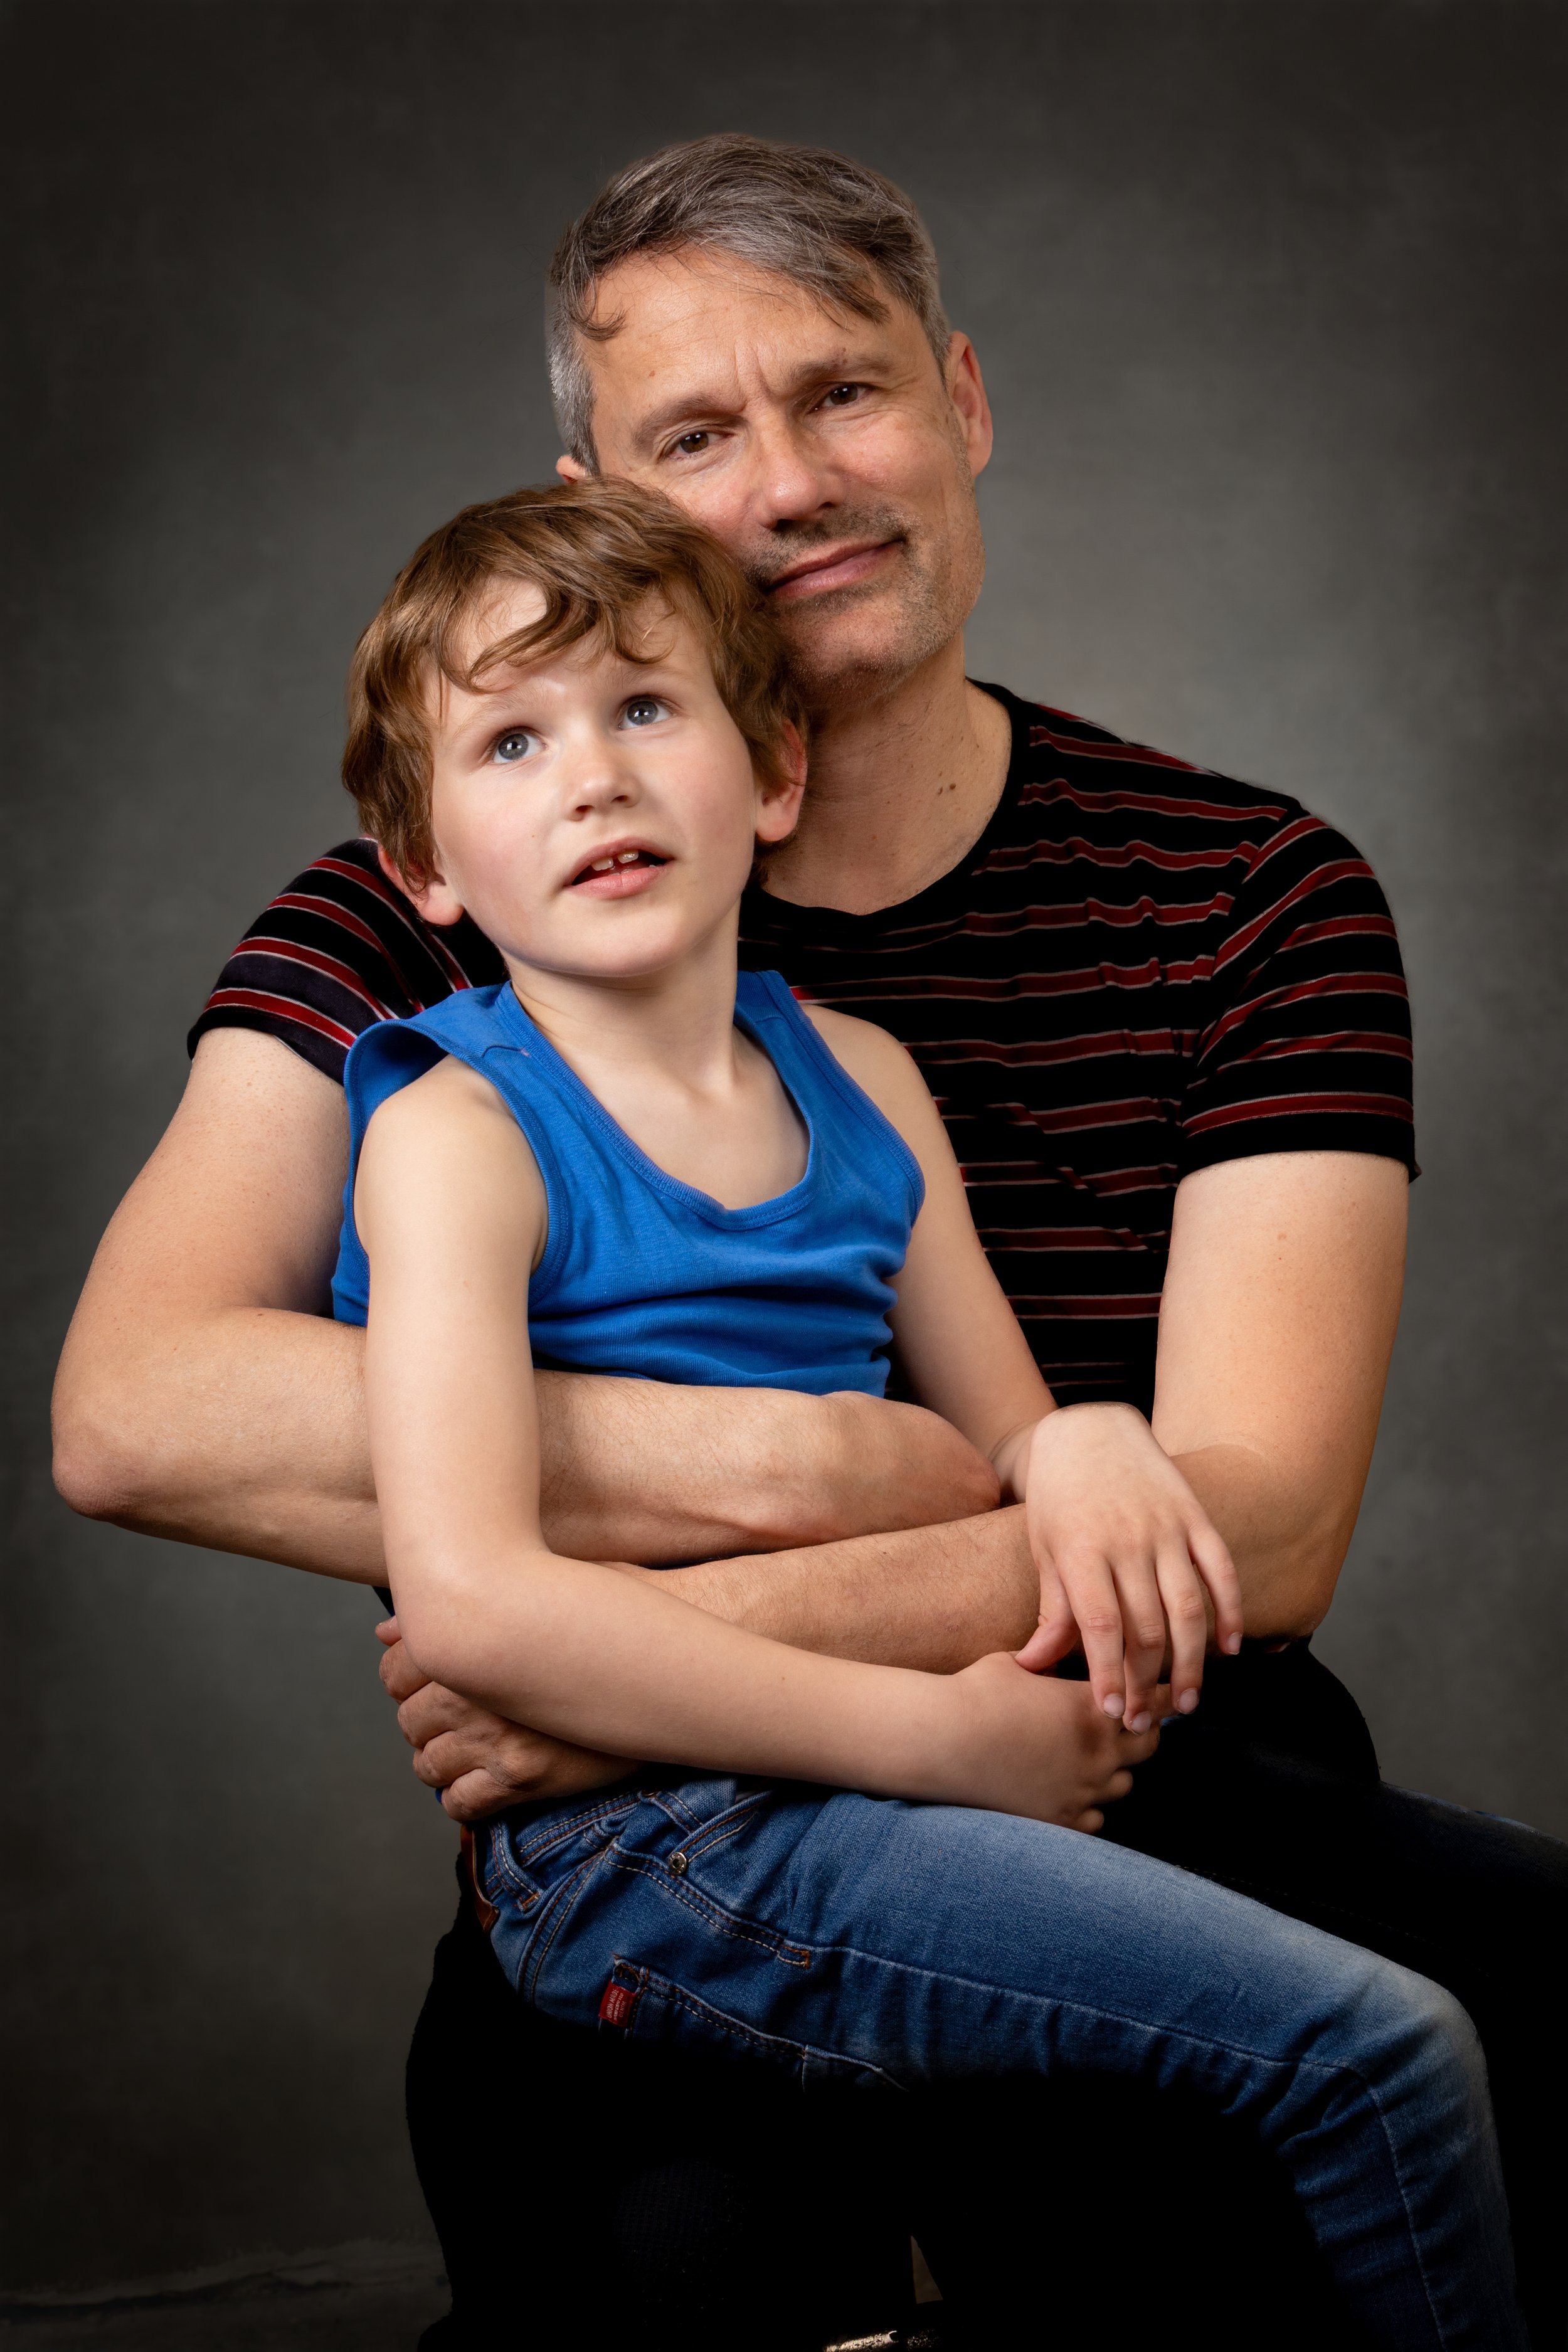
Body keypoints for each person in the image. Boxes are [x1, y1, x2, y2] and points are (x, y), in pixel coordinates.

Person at [51, 135, 1567, 2346]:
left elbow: (1261, 1526)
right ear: (604, 489)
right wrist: (801, 1469)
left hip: (1140, 1757)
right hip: (674, 1837)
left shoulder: (1252, 893)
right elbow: (139, 1411)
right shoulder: (426, 919)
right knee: (692, 2277)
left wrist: (633, 1662)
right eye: (692, 434)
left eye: (842, 393)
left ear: (958, 400)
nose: (788, 483)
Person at [341, 465, 1521, 2346]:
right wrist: (934, 1744)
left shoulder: (863, 1075)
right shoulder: (454, 1138)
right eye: (508, 741)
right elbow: (474, 1608)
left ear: (771, 775)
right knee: (1371, 2052)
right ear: (420, 868)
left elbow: (1010, 1443)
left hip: (890, 1758)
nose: (594, 775)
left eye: (648, 705)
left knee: (1433, 1994)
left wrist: (1091, 1442)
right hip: (645, 1841)